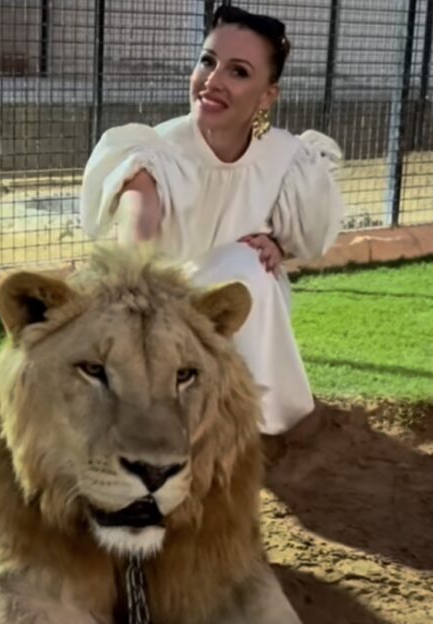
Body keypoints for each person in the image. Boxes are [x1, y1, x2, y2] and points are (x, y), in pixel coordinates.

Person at [79, 5, 345, 437]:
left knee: (248, 265)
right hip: (162, 309)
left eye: (238, 72)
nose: (213, 80)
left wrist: (279, 246)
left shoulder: (286, 156)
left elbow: (310, 234)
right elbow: (136, 236)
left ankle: (260, 421)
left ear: (267, 96)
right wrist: (135, 300)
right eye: (208, 61)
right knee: (242, 266)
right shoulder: (155, 151)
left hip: (246, 303)